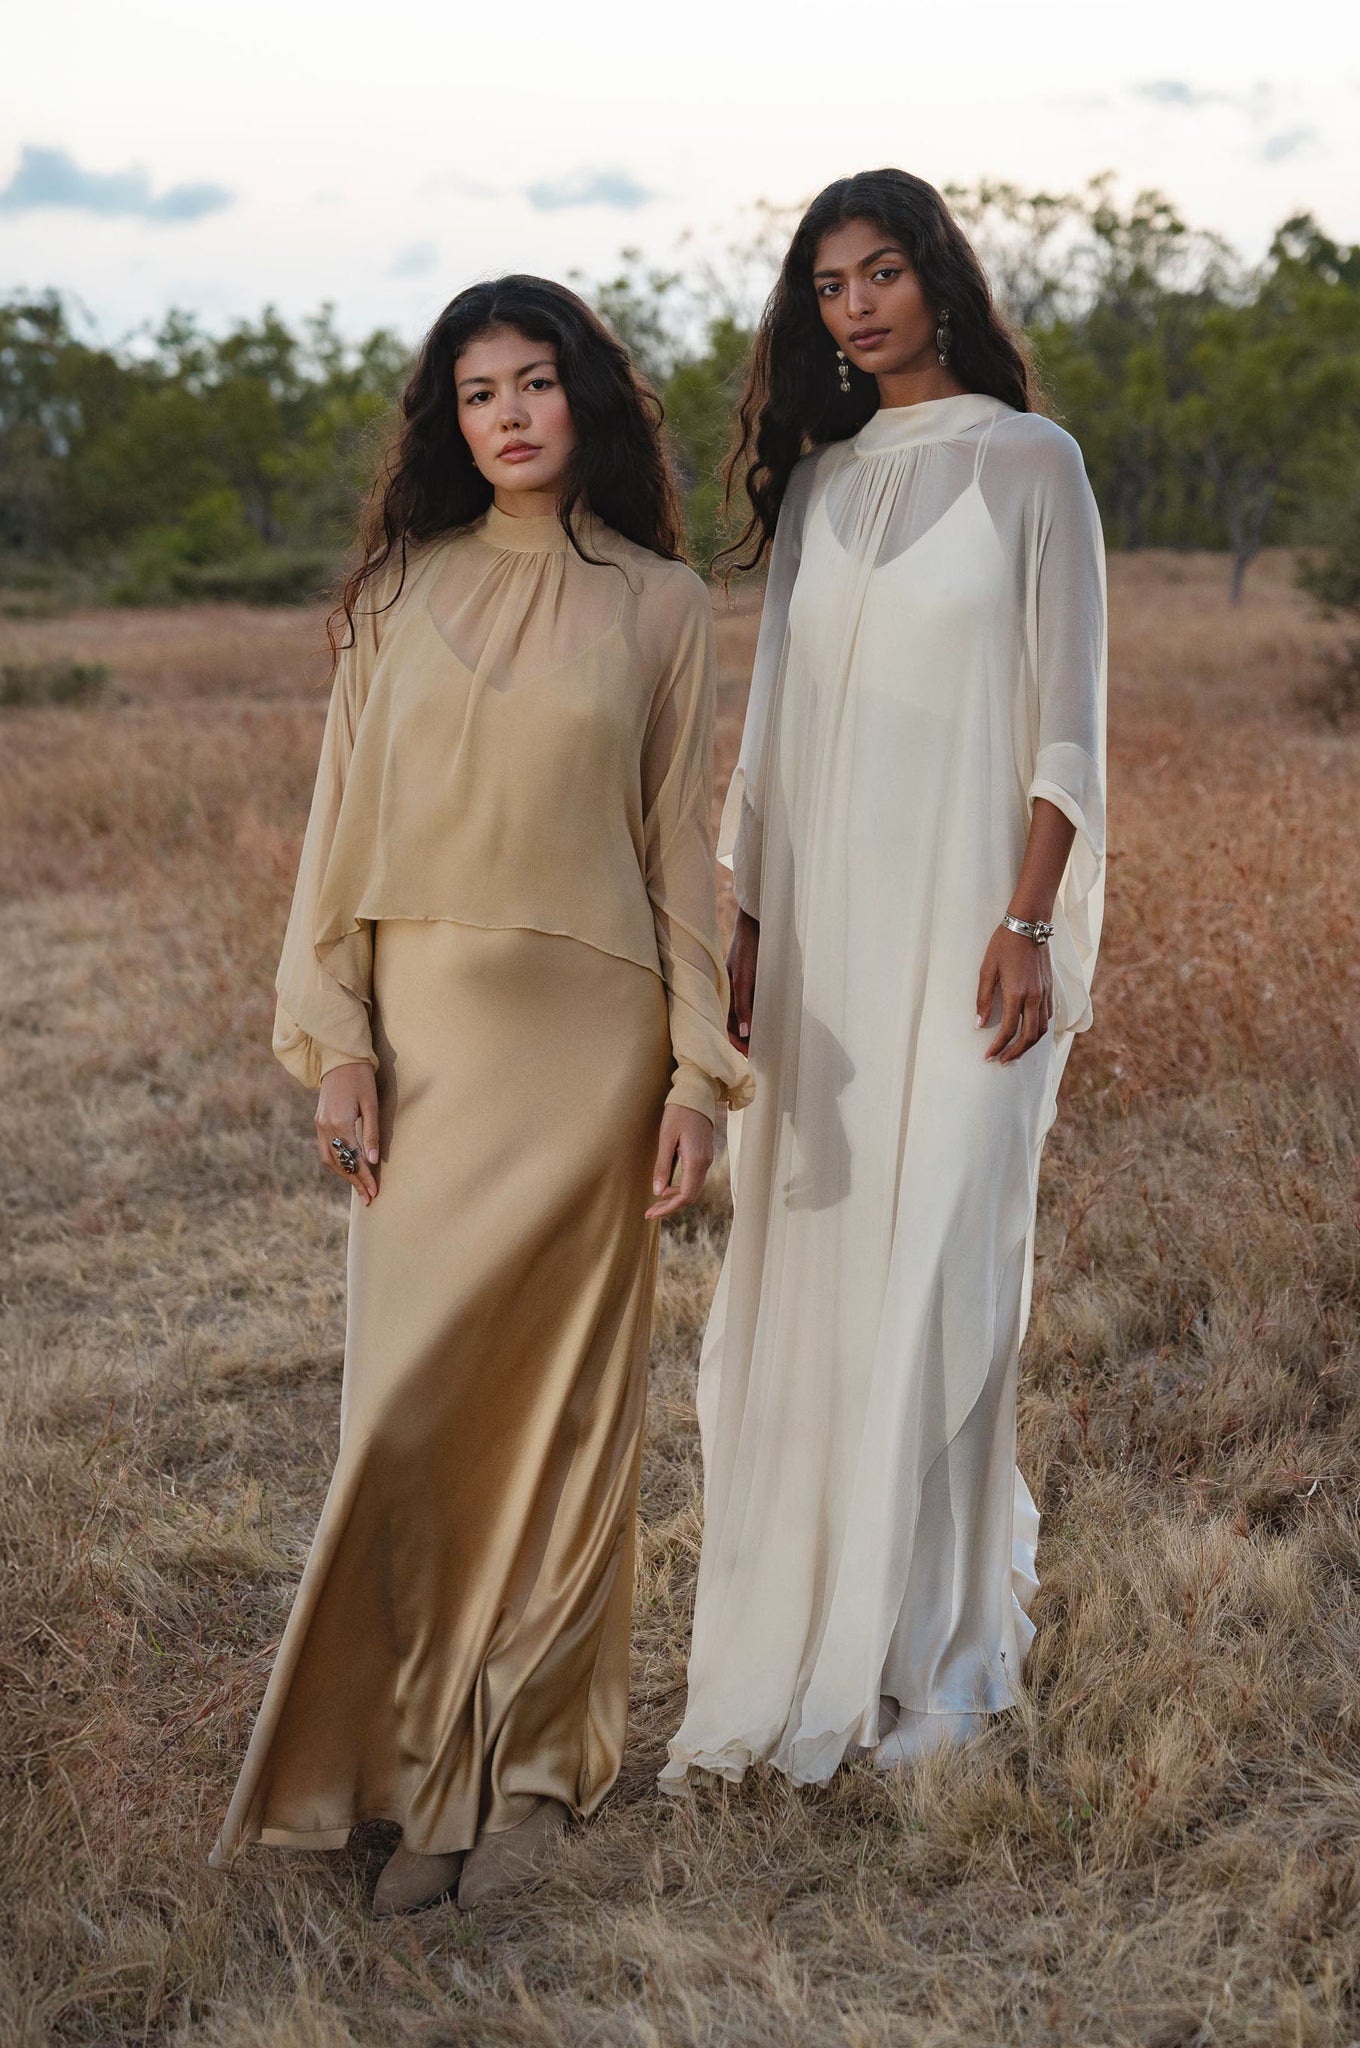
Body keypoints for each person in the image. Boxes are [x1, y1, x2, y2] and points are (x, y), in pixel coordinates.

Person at [208, 276, 751, 1913]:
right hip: (430, 1049)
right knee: (410, 1411)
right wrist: (346, 1042)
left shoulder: (663, 605)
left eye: (535, 382)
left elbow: (677, 854)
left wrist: (697, 1076)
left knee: (564, 1425)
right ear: (449, 424)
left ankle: (512, 1779)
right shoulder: (390, 597)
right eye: (475, 394)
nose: (509, 415)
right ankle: (386, 1764)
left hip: (592, 1053)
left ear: (585, 394)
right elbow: (333, 843)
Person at [662, 170, 1106, 1789]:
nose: (856, 305)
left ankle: (948, 1661)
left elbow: (1070, 719)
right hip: (828, 939)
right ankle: (825, 1630)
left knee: (950, 1259)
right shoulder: (828, 485)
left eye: (884, 272)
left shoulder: (1029, 461)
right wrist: (750, 925)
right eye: (828, 284)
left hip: (972, 929)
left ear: (939, 281)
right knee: (836, 1267)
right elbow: (770, 732)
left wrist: (1031, 920)